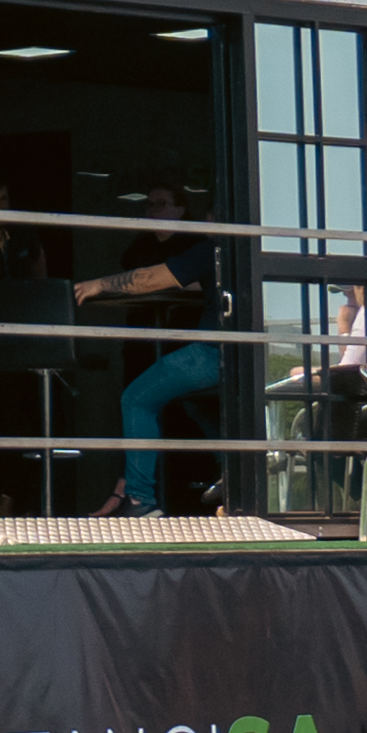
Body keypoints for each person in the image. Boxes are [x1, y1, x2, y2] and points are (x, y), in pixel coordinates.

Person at [74, 187, 244, 517]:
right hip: (249, 356)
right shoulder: (249, 252)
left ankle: (139, 500)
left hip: (213, 352)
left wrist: (98, 284)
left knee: (136, 398)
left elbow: (152, 278)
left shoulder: (211, 249)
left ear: (210, 219)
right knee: (194, 399)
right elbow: (193, 283)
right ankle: (232, 474)